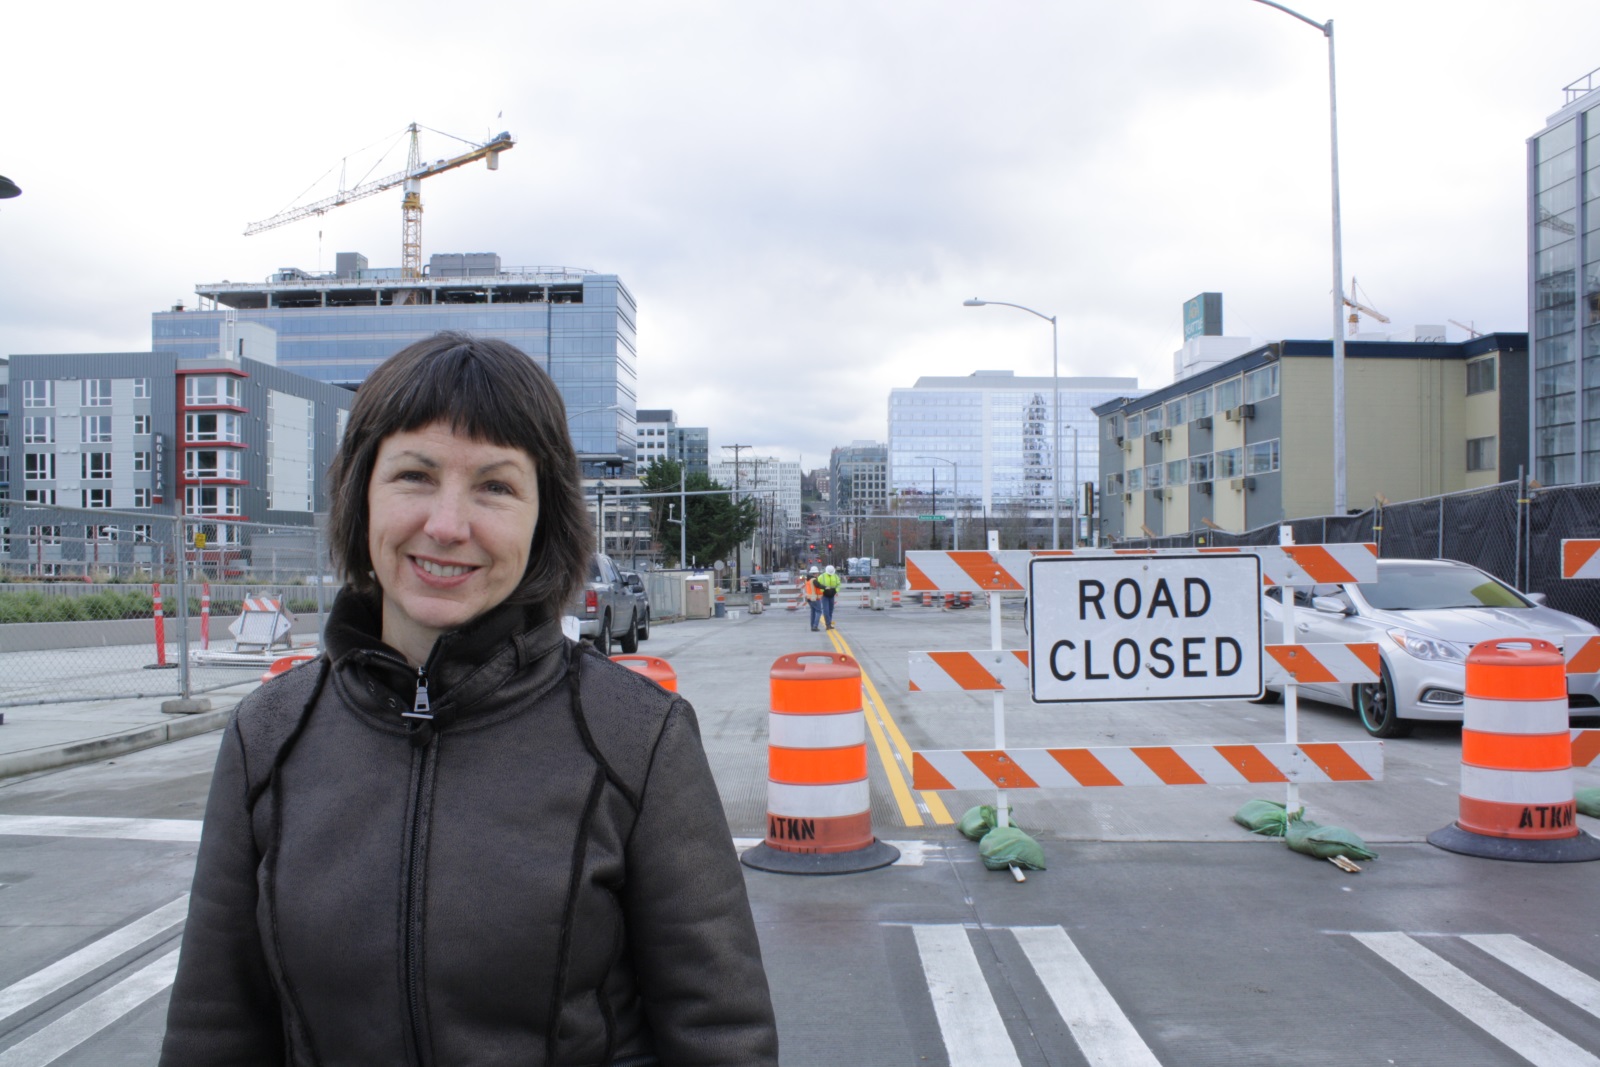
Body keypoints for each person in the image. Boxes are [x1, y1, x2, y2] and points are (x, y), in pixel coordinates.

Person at [160, 333, 778, 1066]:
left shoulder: (637, 740)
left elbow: (719, 1035)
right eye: (415, 474)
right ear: (362, 495)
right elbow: (215, 1030)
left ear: (544, 518)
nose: (448, 524)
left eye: (495, 485)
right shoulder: (269, 736)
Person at [816, 564, 842, 629]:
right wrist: (823, 591)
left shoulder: (835, 576)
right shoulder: (822, 576)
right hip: (825, 595)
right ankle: (827, 624)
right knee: (826, 610)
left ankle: (829, 623)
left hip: (832, 595)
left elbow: (838, 585)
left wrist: (835, 591)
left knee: (831, 610)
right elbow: (818, 585)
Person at [804, 565, 823, 631]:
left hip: (809, 598)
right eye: (817, 573)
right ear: (815, 573)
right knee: (819, 611)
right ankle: (815, 626)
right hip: (815, 598)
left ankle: (812, 626)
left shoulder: (807, 580)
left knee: (813, 612)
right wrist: (826, 587)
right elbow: (819, 586)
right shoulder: (814, 580)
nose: (818, 574)